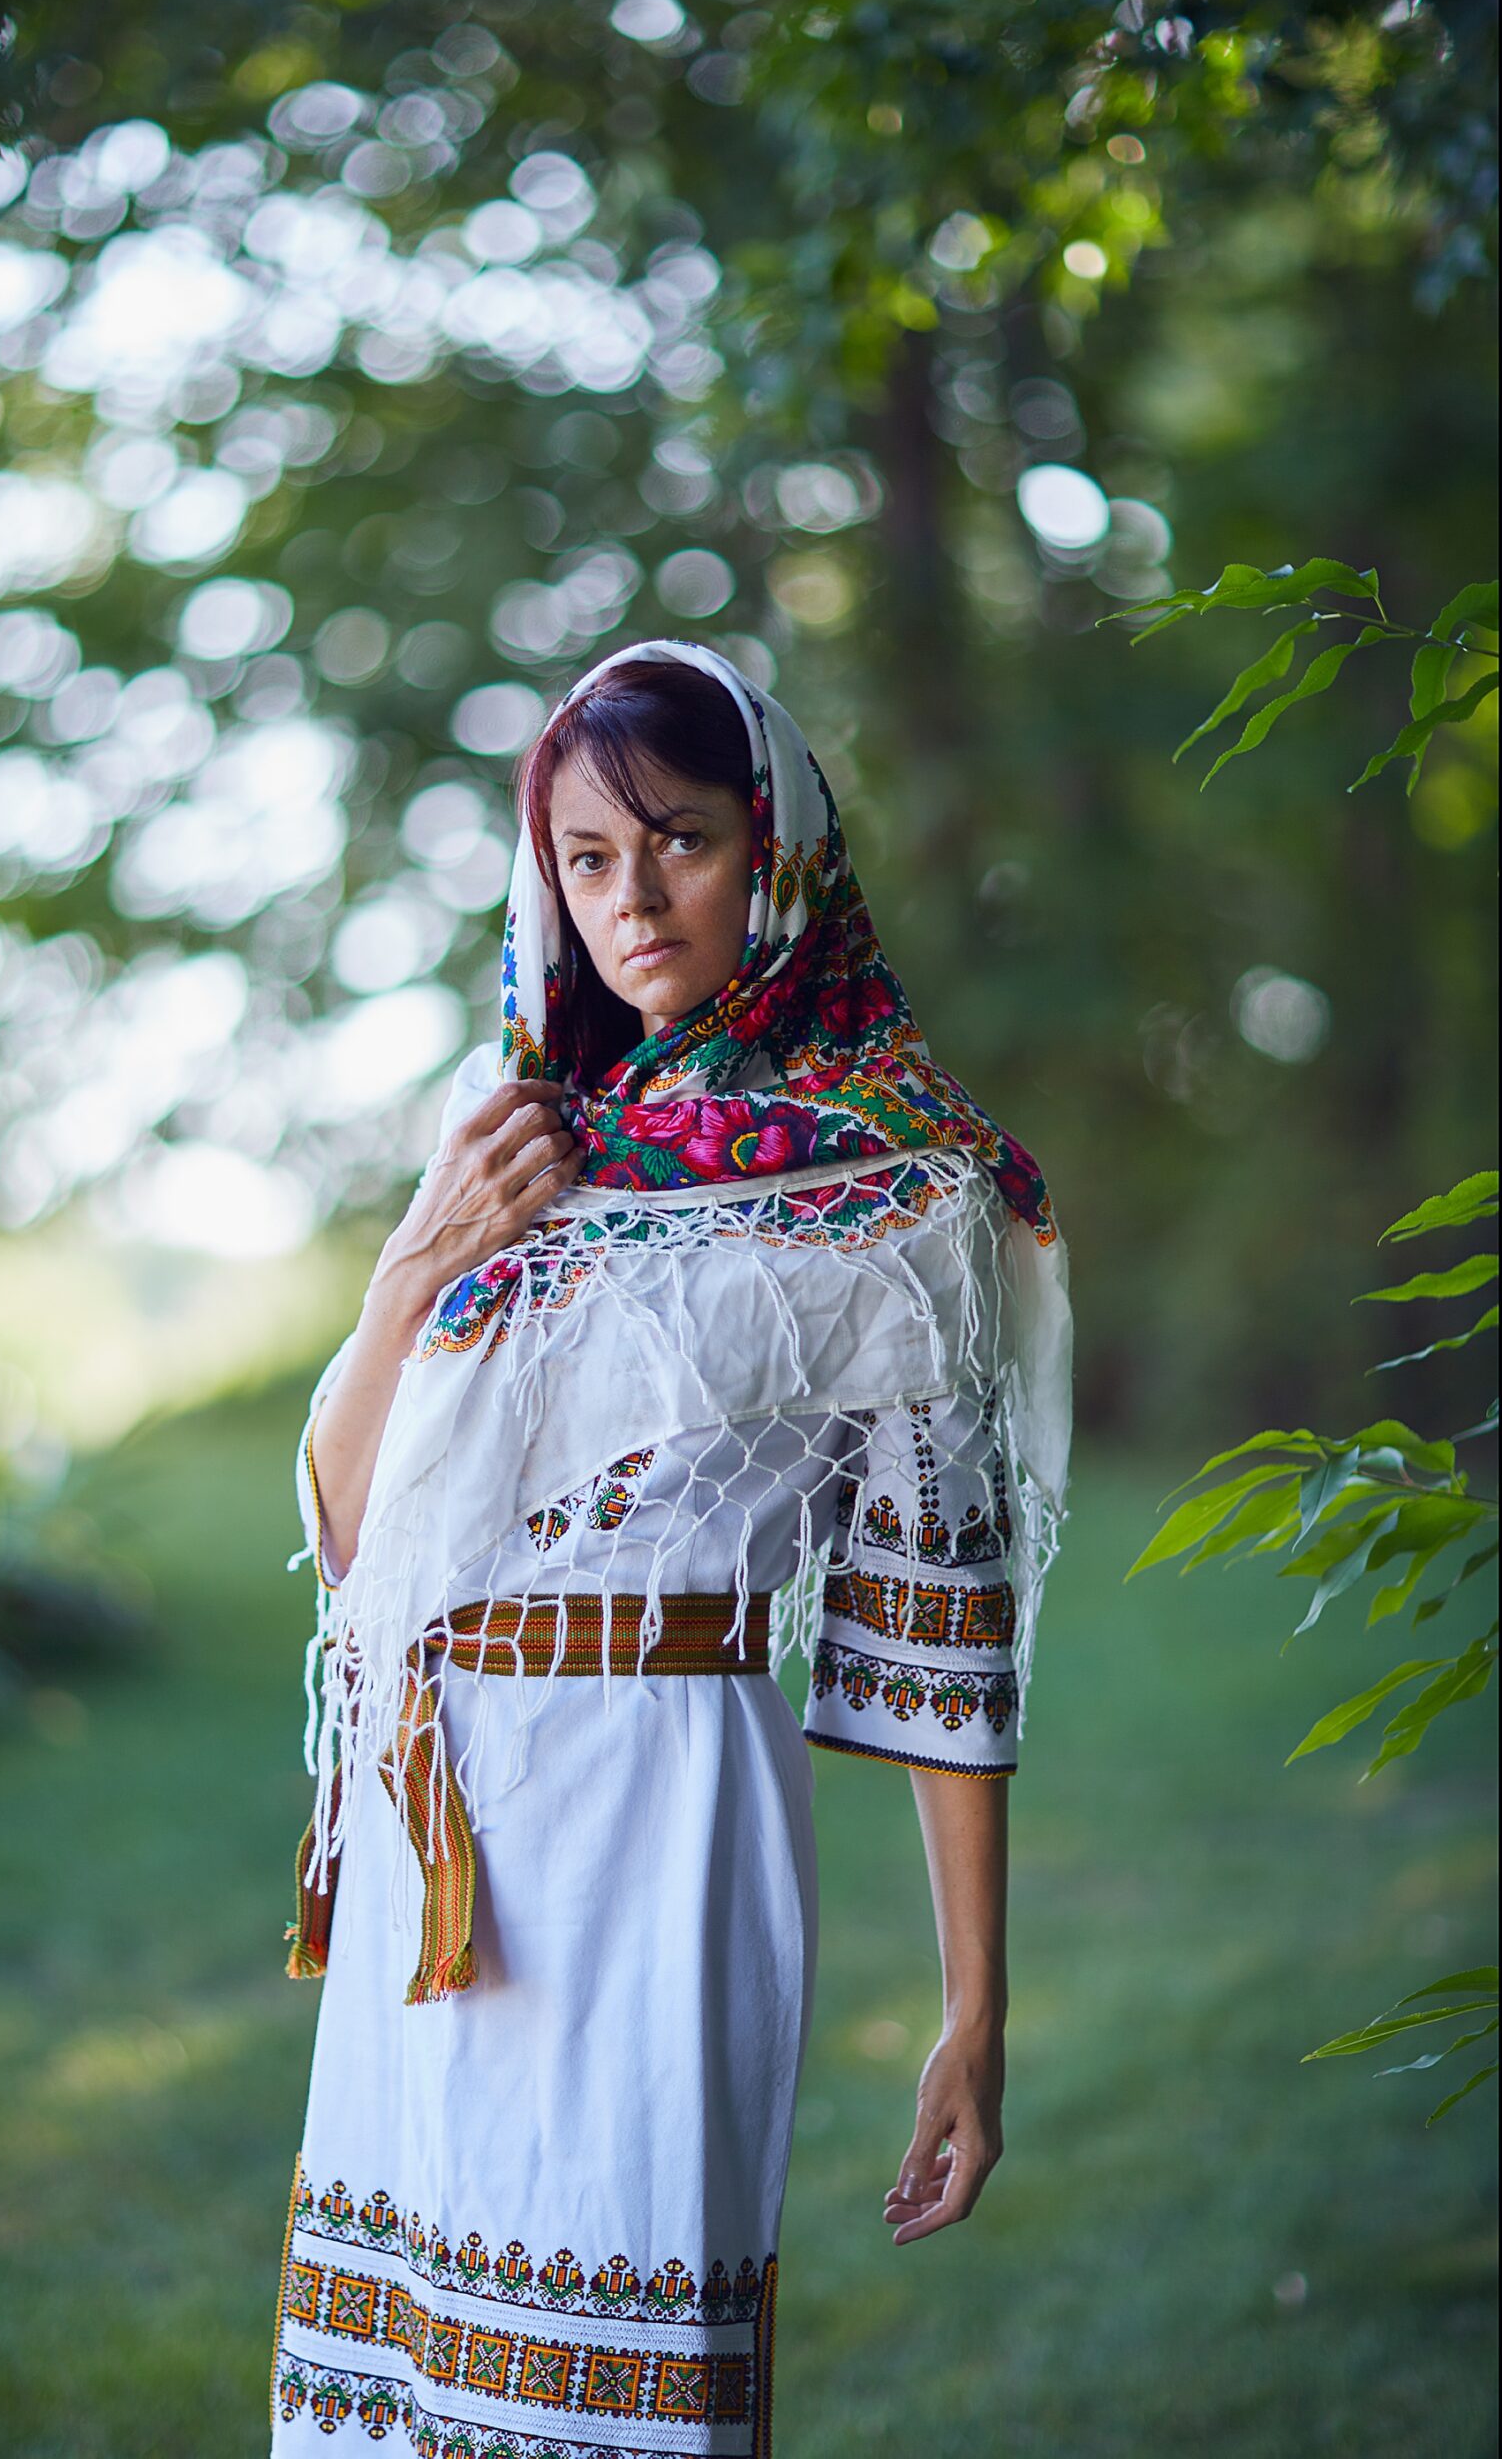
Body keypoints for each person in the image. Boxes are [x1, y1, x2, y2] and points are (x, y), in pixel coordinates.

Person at [269, 639, 1072, 2457]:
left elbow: (941, 1629)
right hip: (433, 1838)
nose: (633, 901)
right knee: (405, 2390)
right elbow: (343, 1522)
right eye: (586, 858)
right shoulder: (518, 1143)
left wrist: (975, 2006)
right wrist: (415, 1264)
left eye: (682, 842)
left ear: (775, 847)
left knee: (613, 2390)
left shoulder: (899, 1193)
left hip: (655, 1809)